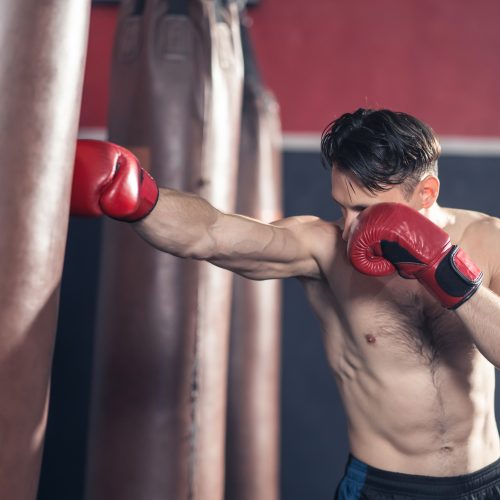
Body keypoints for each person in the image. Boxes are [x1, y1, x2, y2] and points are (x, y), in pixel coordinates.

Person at [72, 108, 500, 499]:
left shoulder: (488, 240)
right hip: (385, 488)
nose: (351, 227)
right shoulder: (323, 248)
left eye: (365, 210)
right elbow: (212, 233)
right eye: (342, 207)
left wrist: (448, 275)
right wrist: (138, 196)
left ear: (426, 192)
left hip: (488, 481)